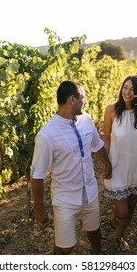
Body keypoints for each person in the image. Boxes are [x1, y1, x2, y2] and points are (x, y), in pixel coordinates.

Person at [30, 80, 112, 255]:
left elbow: (97, 145)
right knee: (64, 247)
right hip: (65, 198)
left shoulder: (86, 120)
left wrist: (108, 165)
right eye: (83, 97)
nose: (86, 101)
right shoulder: (46, 135)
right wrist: (39, 209)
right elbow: (37, 176)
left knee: (95, 232)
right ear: (72, 100)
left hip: (90, 191)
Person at [102, 74, 137, 252]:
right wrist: (107, 163)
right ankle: (113, 217)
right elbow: (106, 139)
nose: (127, 92)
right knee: (122, 211)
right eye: (125, 87)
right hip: (118, 165)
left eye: (132, 89)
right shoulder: (111, 111)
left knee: (131, 209)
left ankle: (119, 236)